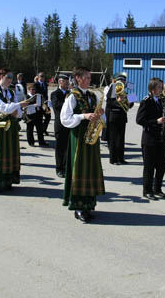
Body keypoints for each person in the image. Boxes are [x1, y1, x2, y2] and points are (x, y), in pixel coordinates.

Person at [61, 66, 105, 222]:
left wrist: (99, 115)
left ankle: (88, 205)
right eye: (86, 77)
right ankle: (78, 208)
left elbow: (98, 117)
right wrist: (83, 116)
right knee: (79, 170)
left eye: (89, 77)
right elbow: (65, 119)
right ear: (78, 78)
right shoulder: (72, 96)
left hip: (91, 139)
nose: (89, 80)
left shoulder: (92, 96)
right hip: (79, 139)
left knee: (90, 171)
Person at [0, 68, 29, 192]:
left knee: (10, 152)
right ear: (1, 77)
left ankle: (8, 180)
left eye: (11, 77)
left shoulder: (11, 93)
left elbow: (18, 113)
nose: (10, 80)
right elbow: (2, 108)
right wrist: (18, 106)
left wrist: (17, 111)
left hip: (10, 126)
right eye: (8, 77)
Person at [136, 78, 165, 200]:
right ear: (153, 89)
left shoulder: (160, 101)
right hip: (149, 139)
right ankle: (147, 190)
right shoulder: (146, 101)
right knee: (149, 167)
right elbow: (139, 120)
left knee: (161, 166)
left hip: (160, 138)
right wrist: (156, 121)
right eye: (159, 87)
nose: (161, 89)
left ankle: (157, 189)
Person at [106, 73, 134, 165]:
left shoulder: (124, 91)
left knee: (121, 139)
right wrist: (118, 103)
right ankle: (113, 159)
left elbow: (129, 105)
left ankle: (120, 158)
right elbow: (110, 103)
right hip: (114, 116)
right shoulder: (114, 87)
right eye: (122, 81)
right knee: (114, 139)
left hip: (122, 116)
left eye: (124, 81)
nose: (124, 82)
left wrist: (132, 99)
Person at [50, 73, 71, 178]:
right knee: (60, 148)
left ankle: (66, 167)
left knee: (68, 148)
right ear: (60, 82)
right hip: (60, 124)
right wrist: (68, 102)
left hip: (70, 124)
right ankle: (59, 169)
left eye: (68, 82)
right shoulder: (55, 94)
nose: (67, 84)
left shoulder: (70, 93)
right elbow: (57, 106)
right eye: (65, 82)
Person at [33, 71, 51, 135]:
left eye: (43, 76)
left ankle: (44, 129)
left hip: (45, 104)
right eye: (41, 76)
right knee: (39, 118)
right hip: (38, 104)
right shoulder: (35, 84)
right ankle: (40, 131)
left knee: (48, 117)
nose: (42, 78)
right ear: (38, 77)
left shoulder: (45, 84)